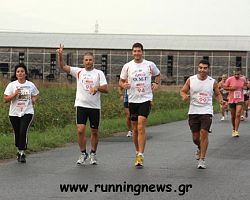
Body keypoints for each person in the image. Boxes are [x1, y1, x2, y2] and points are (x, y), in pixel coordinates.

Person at [56, 44, 108, 165]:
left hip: (94, 106)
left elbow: (106, 89)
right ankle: (83, 153)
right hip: (81, 105)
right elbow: (63, 66)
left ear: (93, 61)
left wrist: (97, 88)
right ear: (83, 61)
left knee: (94, 131)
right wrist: (60, 55)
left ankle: (93, 153)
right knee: (80, 130)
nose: (88, 62)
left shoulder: (99, 73)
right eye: (86, 60)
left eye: (90, 60)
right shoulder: (78, 71)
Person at [119, 42, 161, 167]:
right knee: (135, 128)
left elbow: (158, 75)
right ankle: (137, 152)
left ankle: (141, 154)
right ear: (132, 53)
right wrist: (123, 85)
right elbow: (121, 81)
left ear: (142, 52)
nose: (137, 53)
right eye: (135, 51)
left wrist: (156, 83)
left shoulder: (149, 65)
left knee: (141, 126)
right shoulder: (127, 66)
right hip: (132, 100)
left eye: (139, 51)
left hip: (145, 99)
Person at [180, 59, 224, 169]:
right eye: (200, 68)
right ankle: (199, 147)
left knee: (204, 133)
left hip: (207, 111)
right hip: (194, 111)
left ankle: (202, 160)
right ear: (198, 68)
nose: (202, 70)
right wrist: (184, 96)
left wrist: (221, 101)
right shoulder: (191, 80)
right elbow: (183, 91)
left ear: (208, 69)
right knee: (195, 138)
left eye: (205, 68)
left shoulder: (212, 81)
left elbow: (218, 94)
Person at [3, 63, 39, 163]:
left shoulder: (30, 85)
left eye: (22, 71)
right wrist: (14, 94)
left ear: (25, 73)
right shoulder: (12, 85)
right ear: (16, 73)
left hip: (27, 112)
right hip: (14, 113)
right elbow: (5, 99)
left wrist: (34, 99)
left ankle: (22, 152)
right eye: (18, 71)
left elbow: (36, 94)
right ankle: (18, 150)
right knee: (17, 132)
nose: (20, 73)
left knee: (23, 131)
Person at [223, 69, 247, 137]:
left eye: (238, 74)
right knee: (233, 116)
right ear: (233, 74)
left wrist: (244, 87)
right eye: (235, 74)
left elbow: (246, 86)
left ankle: (236, 130)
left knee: (238, 114)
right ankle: (233, 128)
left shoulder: (243, 79)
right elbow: (224, 87)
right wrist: (231, 88)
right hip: (231, 99)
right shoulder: (229, 79)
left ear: (240, 74)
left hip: (240, 99)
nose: (236, 76)